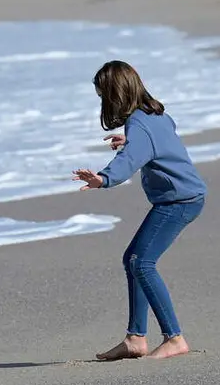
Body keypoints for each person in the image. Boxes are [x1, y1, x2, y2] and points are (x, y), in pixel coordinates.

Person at [72, 60, 206, 361]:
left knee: (141, 262)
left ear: (115, 94)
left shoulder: (139, 124)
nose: (103, 102)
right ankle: (135, 338)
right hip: (186, 196)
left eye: (103, 96)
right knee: (133, 259)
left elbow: (129, 161)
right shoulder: (155, 115)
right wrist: (131, 140)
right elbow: (159, 140)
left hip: (178, 201)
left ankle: (174, 338)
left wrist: (103, 178)